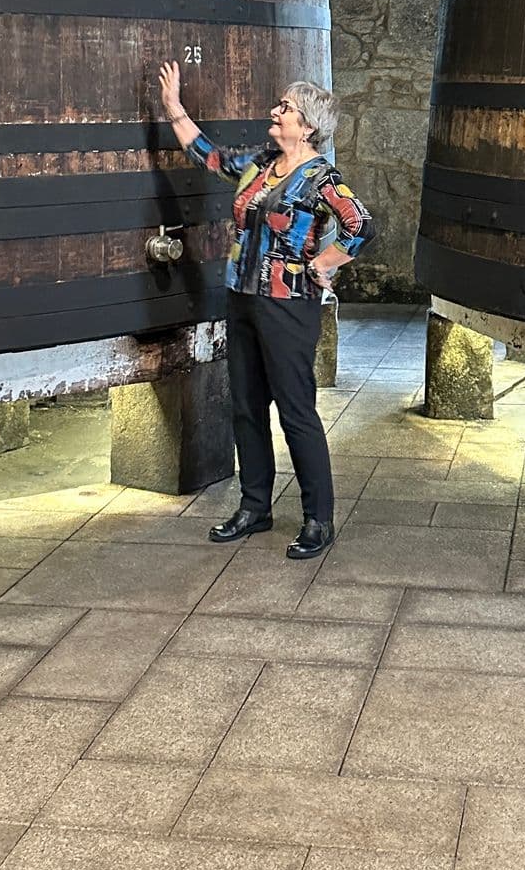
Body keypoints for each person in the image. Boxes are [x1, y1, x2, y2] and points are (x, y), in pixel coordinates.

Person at [157, 62, 373, 560]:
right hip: (242, 297)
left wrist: (324, 262)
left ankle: (319, 518)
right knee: (246, 407)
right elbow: (211, 158)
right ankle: (255, 507)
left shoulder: (321, 178)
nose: (274, 113)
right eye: (279, 106)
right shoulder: (260, 163)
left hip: (288, 307)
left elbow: (359, 226)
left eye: (285, 109)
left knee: (296, 413)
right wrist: (175, 109)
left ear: (308, 126)